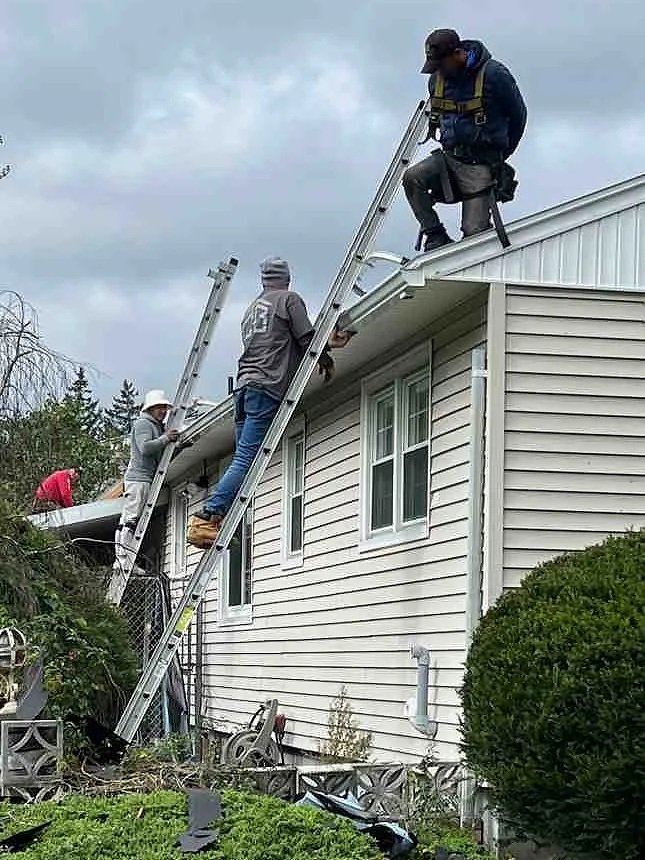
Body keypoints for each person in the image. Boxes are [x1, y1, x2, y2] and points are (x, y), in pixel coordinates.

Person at [187, 257, 352, 550]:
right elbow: (306, 339)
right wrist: (325, 356)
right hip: (267, 386)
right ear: (286, 278)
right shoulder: (289, 299)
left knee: (243, 462)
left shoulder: (251, 310)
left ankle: (217, 518)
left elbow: (276, 342)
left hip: (244, 388)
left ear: (264, 280)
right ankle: (206, 516)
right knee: (245, 461)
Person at [403, 28, 527, 252]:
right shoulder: (435, 81)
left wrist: (499, 157)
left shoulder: (494, 74)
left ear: (458, 53)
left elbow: (518, 116)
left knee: (474, 238)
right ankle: (435, 235)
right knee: (413, 178)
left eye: (442, 64)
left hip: (482, 163)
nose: (439, 71)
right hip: (450, 159)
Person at [113, 389, 179, 570]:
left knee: (134, 518)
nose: (163, 411)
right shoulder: (143, 424)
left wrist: (176, 446)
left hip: (146, 478)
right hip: (138, 478)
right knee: (130, 519)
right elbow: (145, 449)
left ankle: (125, 559)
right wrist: (165, 438)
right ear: (150, 409)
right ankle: (122, 560)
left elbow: (159, 454)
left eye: (164, 408)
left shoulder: (157, 427)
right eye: (159, 407)